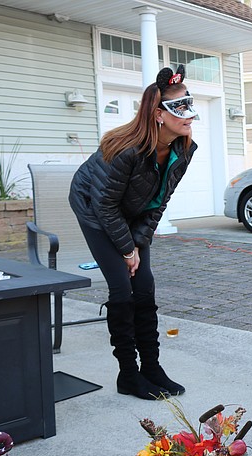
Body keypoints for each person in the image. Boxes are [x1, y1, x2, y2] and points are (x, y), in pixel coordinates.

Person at [69, 65, 197, 400]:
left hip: (133, 213)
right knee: (122, 290)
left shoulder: (184, 149)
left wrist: (138, 245)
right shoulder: (125, 150)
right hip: (95, 209)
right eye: (180, 108)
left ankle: (151, 368)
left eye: (189, 104)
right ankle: (128, 374)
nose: (189, 115)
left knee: (145, 288)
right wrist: (127, 251)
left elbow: (159, 203)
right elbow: (105, 206)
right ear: (158, 114)